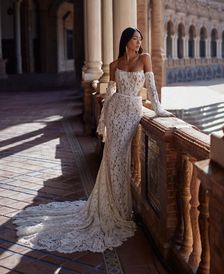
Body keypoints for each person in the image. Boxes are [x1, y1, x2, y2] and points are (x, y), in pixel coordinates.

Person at [13, 27, 173, 253]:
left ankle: (119, 208)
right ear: (125, 41)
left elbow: (152, 90)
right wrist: (104, 123)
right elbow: (109, 96)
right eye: (135, 39)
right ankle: (112, 208)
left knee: (120, 158)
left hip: (133, 111)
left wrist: (158, 110)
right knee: (112, 158)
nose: (138, 43)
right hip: (117, 112)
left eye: (140, 39)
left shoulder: (145, 58)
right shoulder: (114, 65)